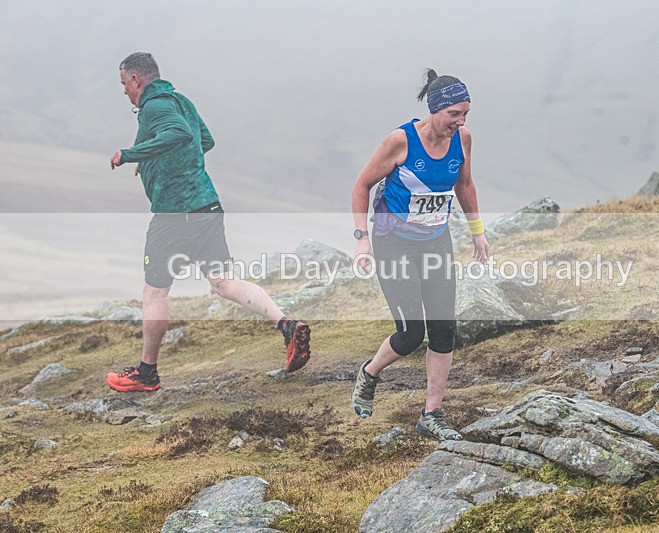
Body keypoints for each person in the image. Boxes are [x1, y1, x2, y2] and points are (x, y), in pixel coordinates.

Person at [107, 52, 310, 392]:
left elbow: (179, 135)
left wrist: (132, 154)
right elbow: (204, 140)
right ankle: (287, 325)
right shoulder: (181, 100)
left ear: (136, 81)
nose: (124, 92)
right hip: (207, 206)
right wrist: (157, 157)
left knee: (154, 291)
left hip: (174, 214)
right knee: (224, 282)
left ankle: (147, 373)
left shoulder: (156, 107)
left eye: (124, 84)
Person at [350, 69, 490, 440]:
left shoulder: (463, 139)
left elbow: (464, 184)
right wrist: (362, 239)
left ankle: (432, 414)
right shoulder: (401, 141)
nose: (459, 122)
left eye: (465, 115)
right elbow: (362, 185)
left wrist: (478, 234)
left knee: (444, 330)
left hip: (435, 240)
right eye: (454, 114)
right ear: (435, 110)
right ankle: (370, 372)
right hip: (393, 241)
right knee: (411, 334)